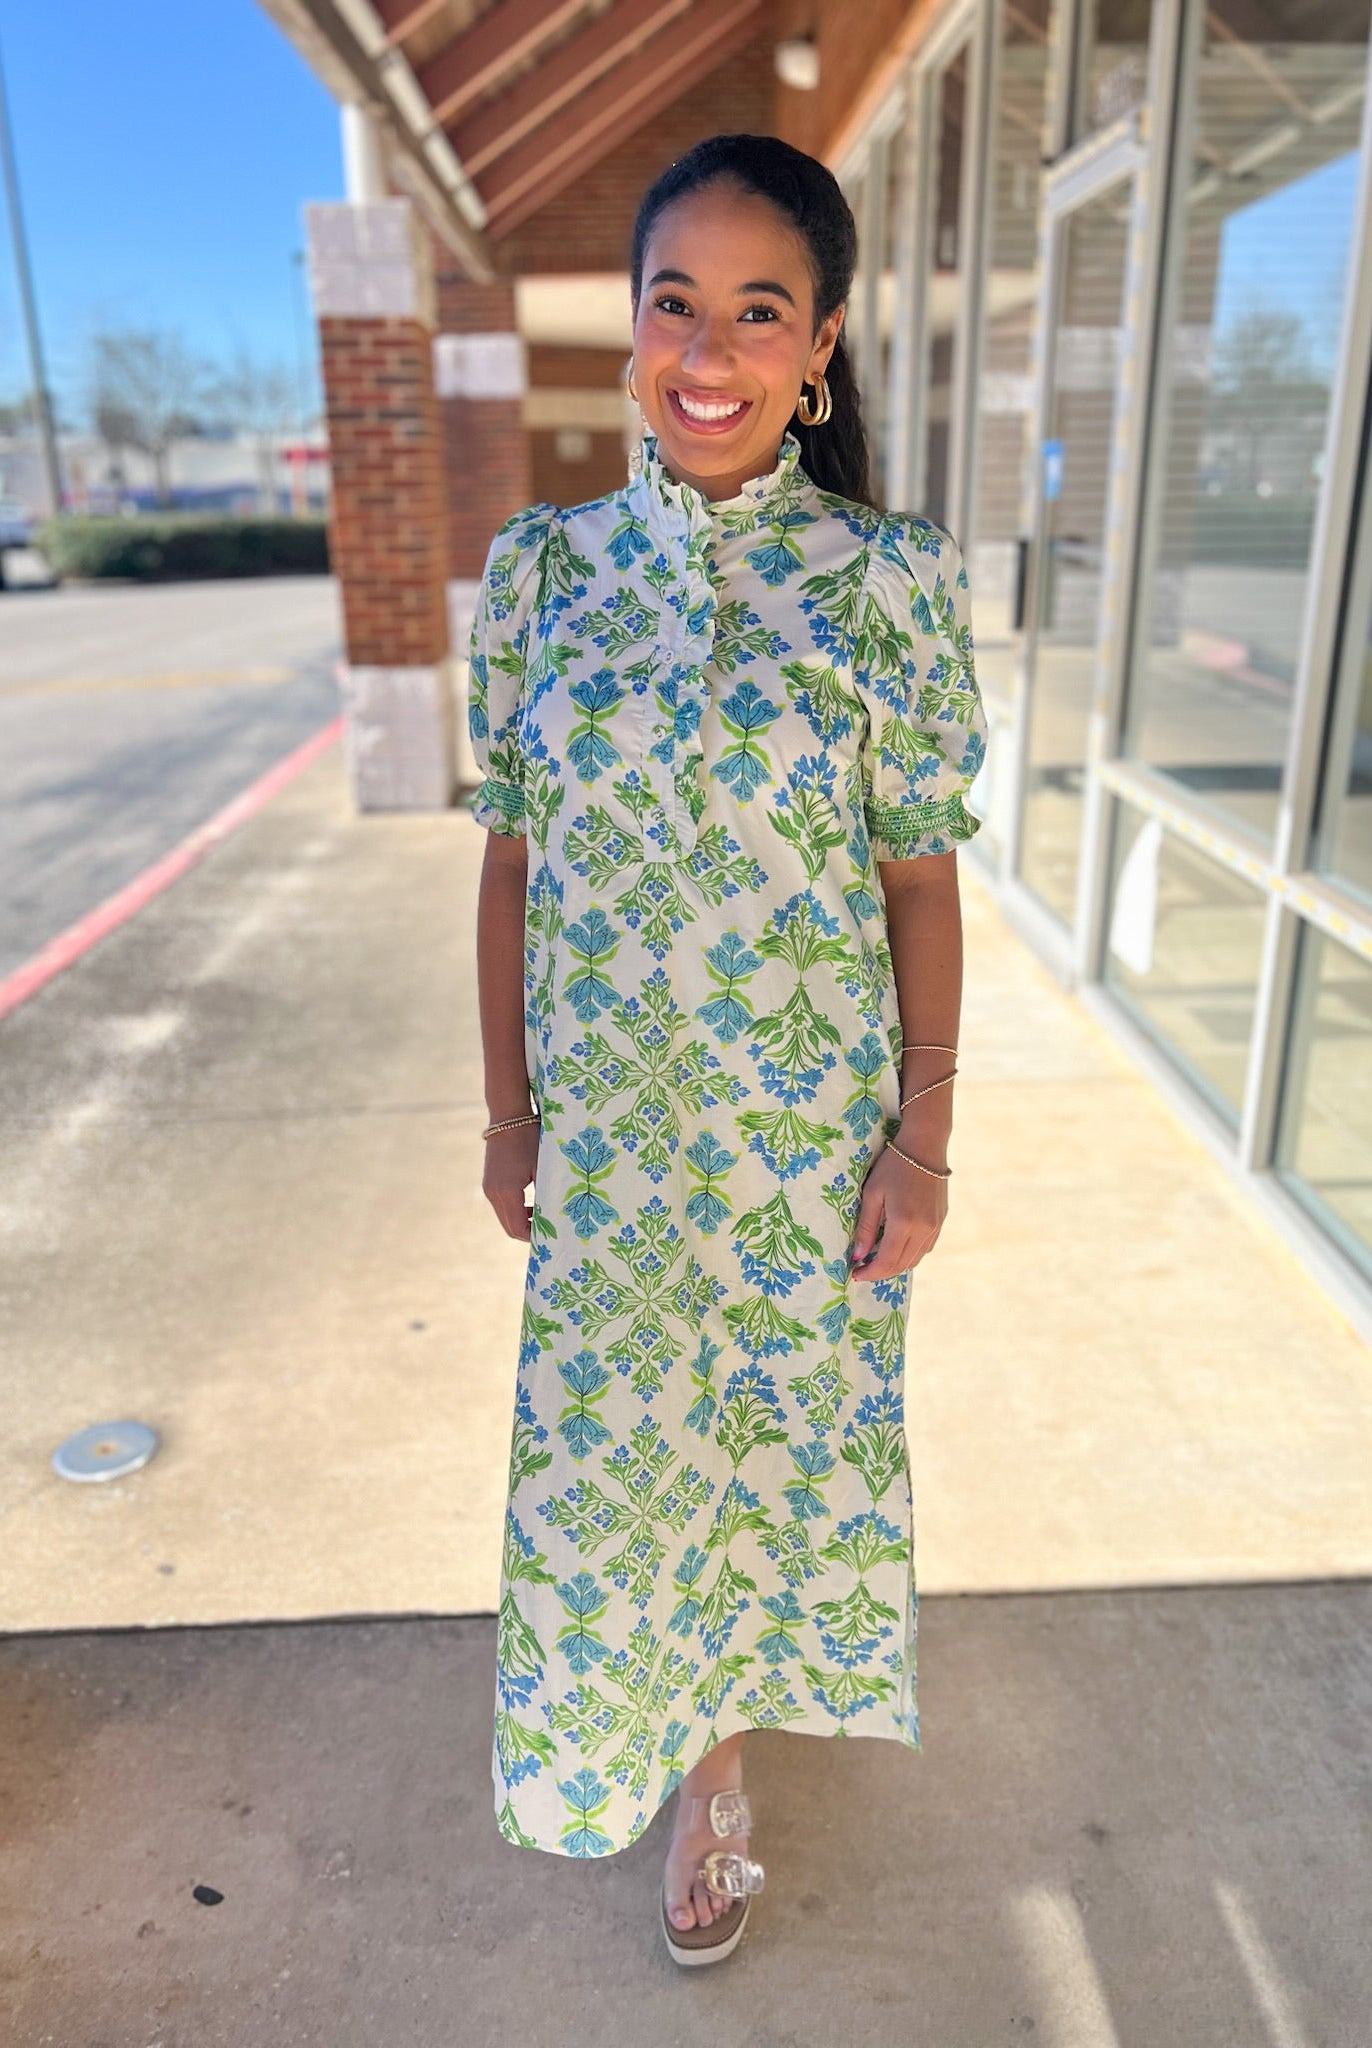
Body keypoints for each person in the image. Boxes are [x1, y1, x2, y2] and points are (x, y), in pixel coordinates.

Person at [469, 132, 987, 1966]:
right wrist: (509, 1116)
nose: (710, 351)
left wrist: (921, 1143)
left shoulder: (890, 583)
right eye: (674, 302)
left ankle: (719, 1771)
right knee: (621, 1480)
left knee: (765, 1473)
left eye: (757, 311)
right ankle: (646, 1742)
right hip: (616, 1144)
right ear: (628, 332)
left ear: (820, 346)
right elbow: (513, 864)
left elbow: (919, 879)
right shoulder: (544, 577)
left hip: (799, 1139)